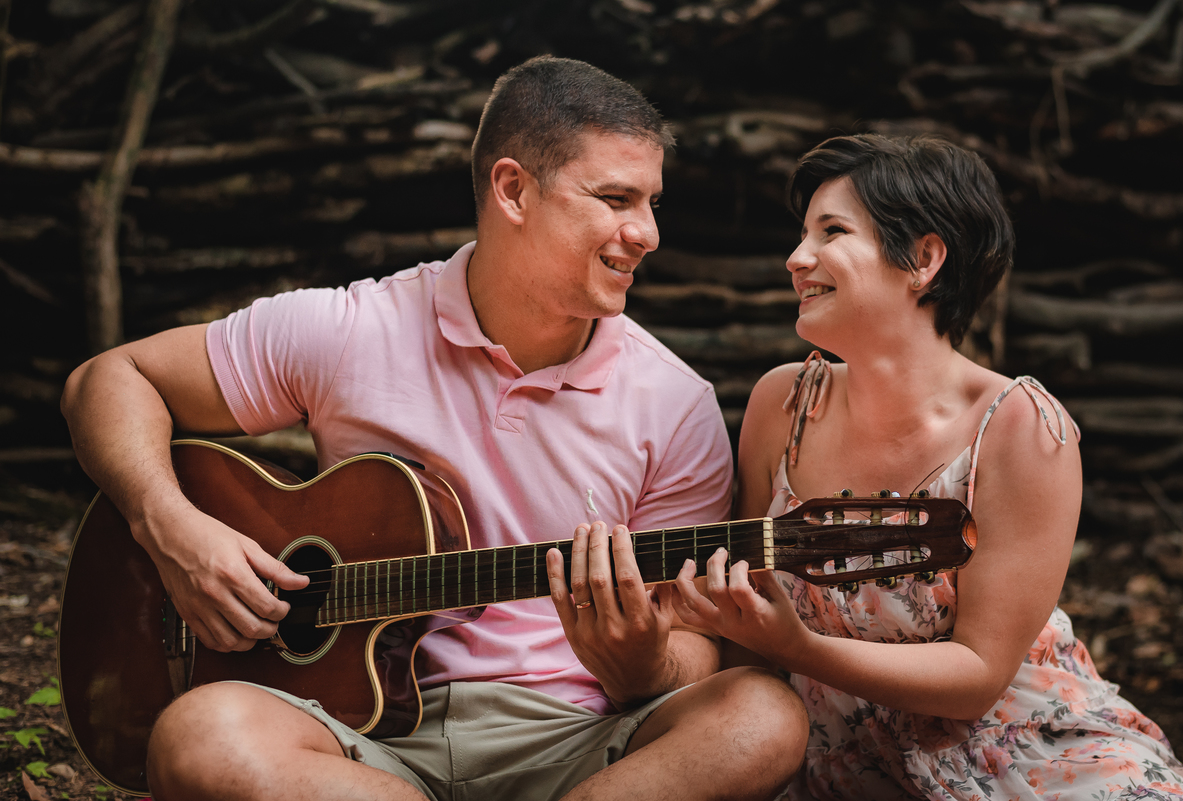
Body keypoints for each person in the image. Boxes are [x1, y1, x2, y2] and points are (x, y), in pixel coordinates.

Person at [60, 56, 808, 801]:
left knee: (761, 716)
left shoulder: (675, 402)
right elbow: (107, 380)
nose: (646, 233)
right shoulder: (352, 330)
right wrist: (172, 528)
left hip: (578, 745)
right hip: (360, 741)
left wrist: (643, 664)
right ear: (513, 190)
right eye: (615, 198)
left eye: (651, 202)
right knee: (198, 737)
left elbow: (693, 647)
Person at [672, 133, 1183, 800]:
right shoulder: (784, 406)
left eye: (832, 231)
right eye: (802, 233)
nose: (797, 258)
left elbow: (978, 674)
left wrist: (799, 648)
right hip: (838, 767)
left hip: (1019, 757)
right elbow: (746, 629)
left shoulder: (1020, 428)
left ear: (923, 259)